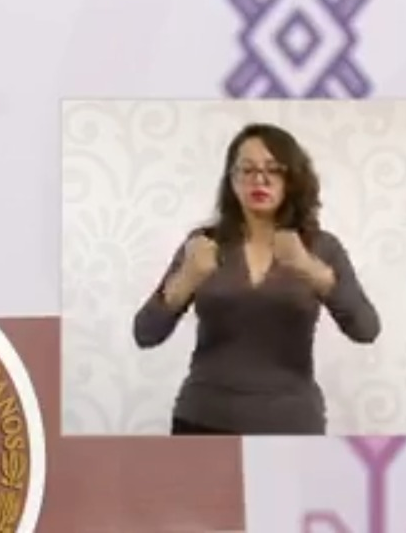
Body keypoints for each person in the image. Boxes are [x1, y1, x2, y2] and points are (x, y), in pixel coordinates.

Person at [132, 122, 380, 435]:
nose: (259, 179)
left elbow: (366, 330)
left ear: (292, 179)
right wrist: (186, 278)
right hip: (202, 418)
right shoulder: (204, 244)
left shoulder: (321, 247)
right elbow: (145, 333)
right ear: (231, 180)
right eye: (247, 169)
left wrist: (312, 270)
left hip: (291, 423)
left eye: (273, 169)